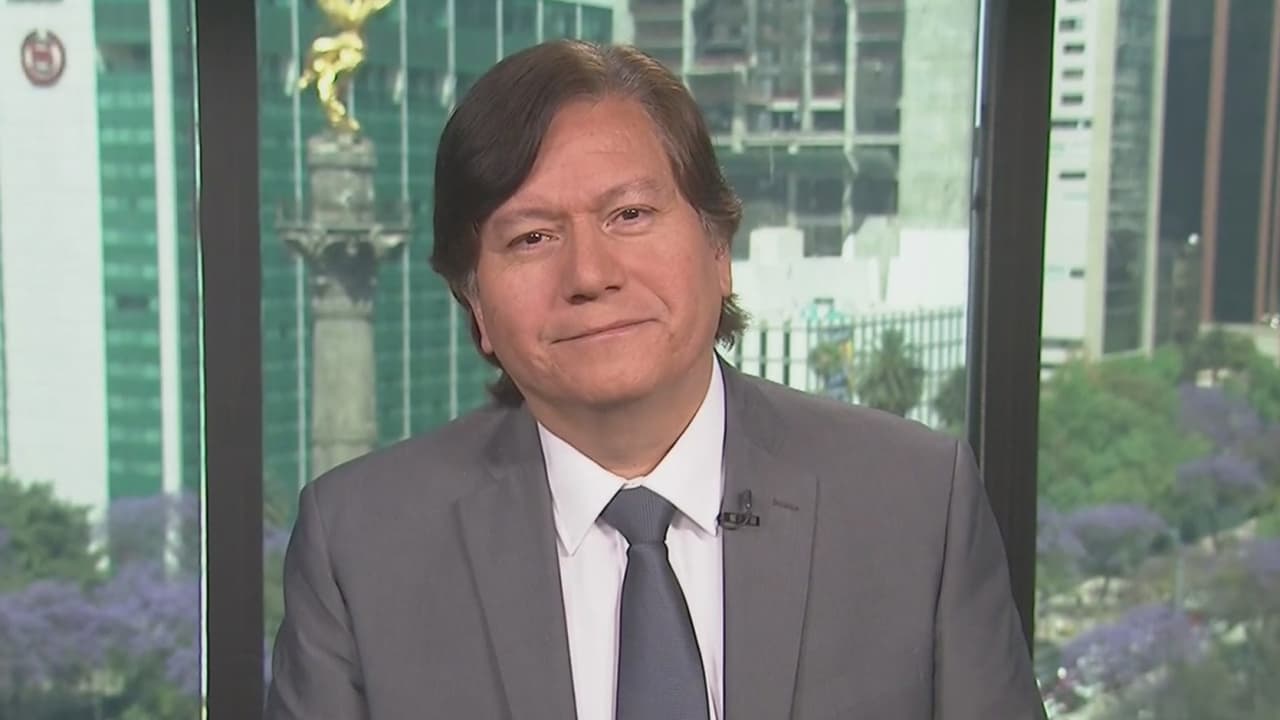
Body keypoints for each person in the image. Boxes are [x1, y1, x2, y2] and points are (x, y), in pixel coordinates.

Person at [265, 40, 1046, 720]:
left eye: (630, 215)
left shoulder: (914, 505)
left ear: (718, 249)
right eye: (532, 237)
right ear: (475, 305)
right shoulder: (362, 548)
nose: (590, 274)